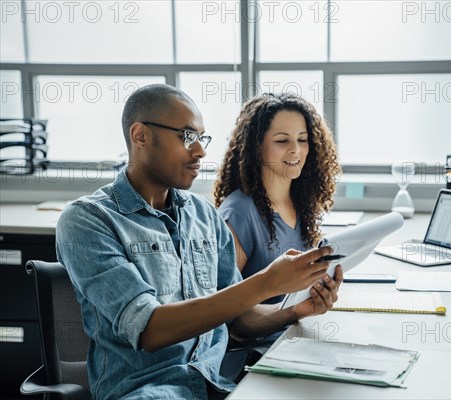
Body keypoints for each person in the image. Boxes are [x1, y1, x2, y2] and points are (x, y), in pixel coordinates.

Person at [55, 84, 342, 400]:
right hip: (147, 393)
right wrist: (266, 283)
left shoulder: (203, 214)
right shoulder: (87, 220)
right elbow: (150, 329)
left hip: (219, 385)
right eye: (187, 137)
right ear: (140, 136)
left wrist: (293, 311)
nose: (201, 152)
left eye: (202, 139)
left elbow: (237, 319)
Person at [214, 93, 341, 304]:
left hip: (295, 330)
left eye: (302, 140)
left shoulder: (301, 204)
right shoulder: (238, 214)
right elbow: (220, 309)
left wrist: (320, 288)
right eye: (282, 140)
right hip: (264, 337)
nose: (296, 150)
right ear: (256, 147)